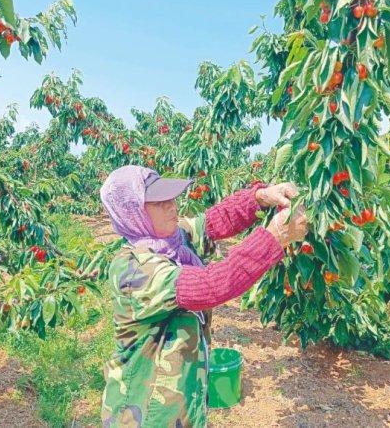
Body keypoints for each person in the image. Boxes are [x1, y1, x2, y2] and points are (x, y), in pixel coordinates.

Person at [99, 165, 308, 427]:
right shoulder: (134, 270)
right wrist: (275, 237)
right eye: (159, 203)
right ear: (132, 213)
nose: (172, 207)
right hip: (145, 411)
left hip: (180, 401)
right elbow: (211, 285)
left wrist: (260, 197)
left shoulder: (172, 241)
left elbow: (212, 222)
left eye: (171, 199)